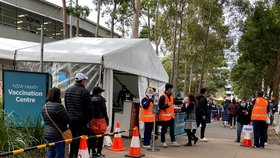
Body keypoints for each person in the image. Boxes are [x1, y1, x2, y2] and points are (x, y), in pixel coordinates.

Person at [65, 72, 92, 158]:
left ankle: (71, 154)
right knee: (80, 137)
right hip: (81, 119)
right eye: (85, 80)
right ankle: (76, 154)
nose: (85, 82)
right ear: (82, 81)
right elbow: (88, 107)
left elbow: (66, 104)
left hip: (71, 118)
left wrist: (69, 114)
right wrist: (89, 119)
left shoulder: (68, 90)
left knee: (72, 137)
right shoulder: (85, 92)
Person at [42, 87, 70, 158]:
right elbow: (67, 120)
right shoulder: (58, 106)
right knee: (59, 154)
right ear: (57, 95)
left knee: (51, 153)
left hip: (48, 134)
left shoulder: (45, 106)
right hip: (58, 134)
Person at [88, 87, 109, 157]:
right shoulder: (101, 99)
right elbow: (104, 111)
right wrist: (107, 119)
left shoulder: (89, 99)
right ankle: (99, 152)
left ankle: (93, 152)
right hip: (100, 120)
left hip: (92, 120)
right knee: (101, 137)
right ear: (99, 92)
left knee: (93, 137)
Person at [158, 83, 180, 147]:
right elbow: (160, 106)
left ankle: (173, 141)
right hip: (165, 117)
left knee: (172, 129)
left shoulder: (171, 96)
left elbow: (174, 102)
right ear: (168, 89)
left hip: (171, 116)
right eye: (171, 89)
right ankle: (163, 141)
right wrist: (167, 105)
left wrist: (181, 102)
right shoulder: (162, 97)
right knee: (164, 130)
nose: (172, 90)